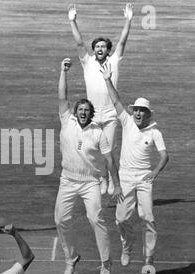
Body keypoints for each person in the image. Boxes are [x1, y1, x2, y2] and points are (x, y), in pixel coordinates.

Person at [54, 58, 123, 274]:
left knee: (96, 219)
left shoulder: (98, 132)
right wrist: (63, 72)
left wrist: (116, 183)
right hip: (67, 180)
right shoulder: (67, 120)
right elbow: (62, 96)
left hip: (90, 182)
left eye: (86, 110)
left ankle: (105, 262)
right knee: (60, 220)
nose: (83, 112)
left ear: (90, 114)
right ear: (75, 112)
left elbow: (109, 159)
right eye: (80, 109)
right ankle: (71, 257)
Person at [100, 63, 169, 266]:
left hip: (144, 178)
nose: (138, 113)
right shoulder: (127, 121)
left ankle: (148, 257)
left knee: (147, 216)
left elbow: (165, 156)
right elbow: (115, 100)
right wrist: (107, 79)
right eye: (136, 110)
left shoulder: (155, 132)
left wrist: (154, 173)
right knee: (121, 219)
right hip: (126, 177)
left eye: (142, 111)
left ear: (148, 114)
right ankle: (127, 245)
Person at [68, 3, 134, 195]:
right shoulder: (87, 62)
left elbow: (122, 42)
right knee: (94, 151)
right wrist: (73, 21)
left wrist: (129, 20)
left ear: (108, 50)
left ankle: (113, 182)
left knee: (109, 151)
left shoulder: (114, 61)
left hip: (112, 114)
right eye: (97, 46)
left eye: (103, 47)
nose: (99, 49)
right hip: (92, 114)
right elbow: (80, 44)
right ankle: (102, 179)